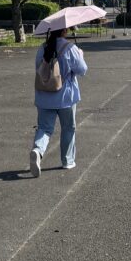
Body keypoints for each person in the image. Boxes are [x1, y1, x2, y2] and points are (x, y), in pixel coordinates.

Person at [29, 27, 88, 177]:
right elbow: (82, 70)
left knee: (44, 128)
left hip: (44, 96)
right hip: (65, 97)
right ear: (64, 31)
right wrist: (80, 55)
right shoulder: (70, 48)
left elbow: (39, 68)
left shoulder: (42, 48)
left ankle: (38, 150)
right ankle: (67, 161)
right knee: (68, 128)